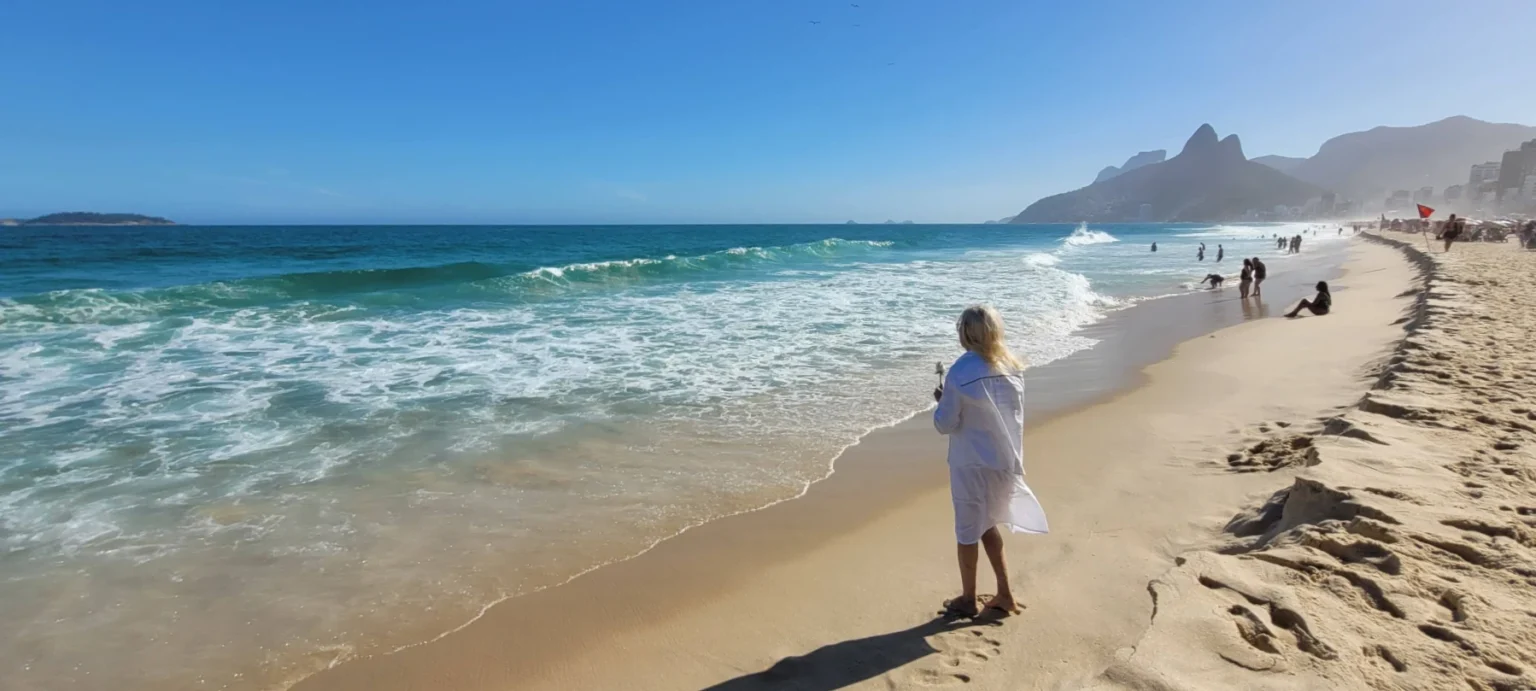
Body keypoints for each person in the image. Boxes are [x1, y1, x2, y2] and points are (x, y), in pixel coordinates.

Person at [933, 306, 1048, 617]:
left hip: (971, 463)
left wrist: (941, 401)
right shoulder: (1012, 367)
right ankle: (1004, 593)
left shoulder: (960, 371)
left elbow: (945, 424)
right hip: (1004, 460)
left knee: (967, 531)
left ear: (965, 333)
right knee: (989, 525)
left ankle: (969, 598)